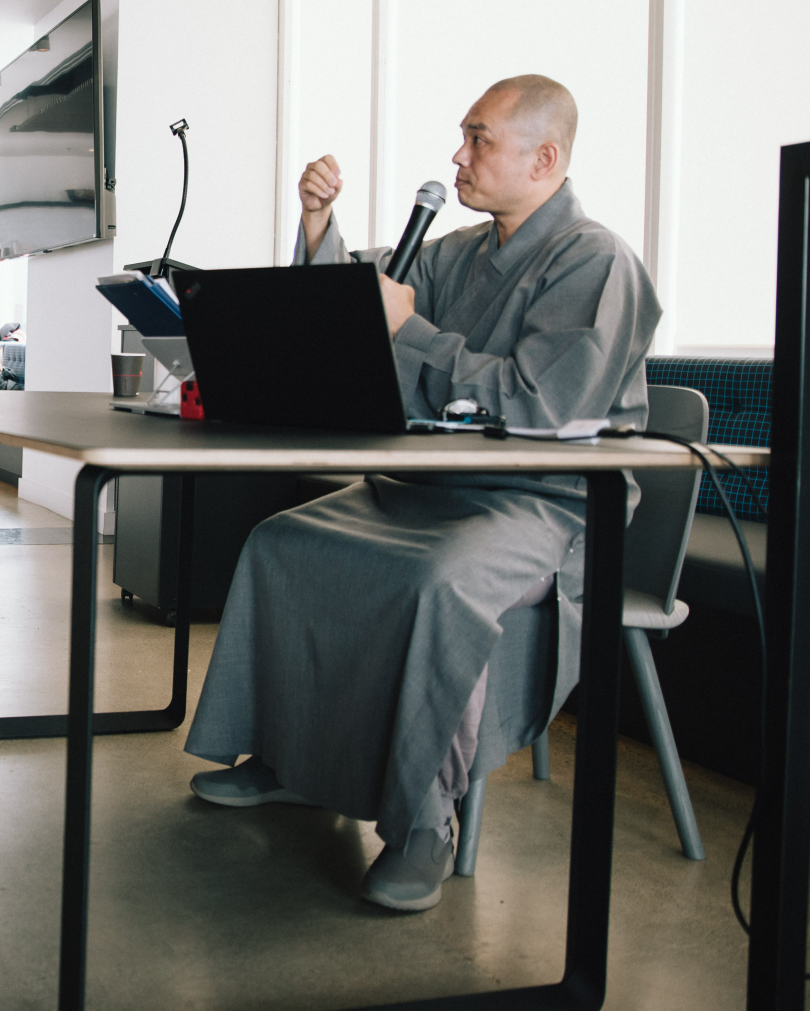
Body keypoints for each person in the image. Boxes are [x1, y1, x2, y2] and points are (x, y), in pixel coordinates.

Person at [183, 75, 660, 912]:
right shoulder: (456, 253)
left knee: (440, 584)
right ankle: (291, 760)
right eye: (463, 137)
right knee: (284, 542)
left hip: (544, 503)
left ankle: (422, 823)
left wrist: (412, 330)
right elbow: (347, 319)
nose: (457, 156)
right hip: (429, 487)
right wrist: (320, 228)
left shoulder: (597, 259)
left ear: (545, 158)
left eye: (478, 139)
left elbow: (545, 408)